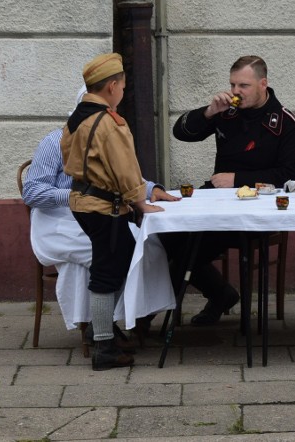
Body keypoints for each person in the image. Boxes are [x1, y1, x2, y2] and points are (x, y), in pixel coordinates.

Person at [22, 86, 176, 349]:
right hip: (60, 223)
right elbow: (32, 191)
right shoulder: (55, 141)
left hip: (99, 218)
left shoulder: (107, 137)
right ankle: (106, 329)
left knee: (148, 247)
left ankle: (119, 321)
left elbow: (127, 177)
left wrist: (153, 190)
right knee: (113, 253)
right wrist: (72, 197)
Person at [61, 52, 178, 371]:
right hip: (104, 207)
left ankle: (105, 332)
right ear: (112, 86)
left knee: (116, 258)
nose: (123, 93)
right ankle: (104, 345)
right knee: (107, 271)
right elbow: (126, 169)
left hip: (83, 202)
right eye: (123, 87)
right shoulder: (110, 123)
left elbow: (68, 158)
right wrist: (140, 202)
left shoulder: (76, 119)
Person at [168, 55, 295, 325]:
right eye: (233, 85)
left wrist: (238, 179)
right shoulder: (226, 112)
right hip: (217, 202)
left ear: (263, 84)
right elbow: (181, 133)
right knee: (167, 237)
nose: (235, 92)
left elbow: (290, 174)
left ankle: (153, 316)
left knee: (187, 249)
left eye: (243, 86)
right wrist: (208, 112)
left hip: (255, 211)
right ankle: (220, 293)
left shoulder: (285, 122)